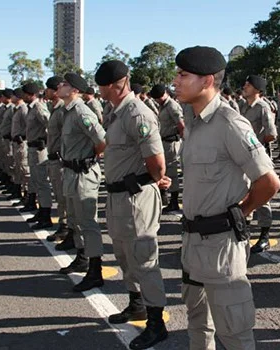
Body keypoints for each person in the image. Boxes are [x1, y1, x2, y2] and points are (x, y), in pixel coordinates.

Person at [173, 46, 280, 350]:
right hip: (192, 241)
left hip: (221, 245)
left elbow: (269, 182)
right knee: (197, 322)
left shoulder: (229, 123)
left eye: (183, 75)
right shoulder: (193, 121)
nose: (175, 80)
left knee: (234, 333)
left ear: (207, 81)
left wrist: (240, 211)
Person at [95, 61, 170, 349]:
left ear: (119, 84)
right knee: (124, 255)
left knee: (144, 259)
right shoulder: (114, 111)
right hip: (117, 196)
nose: (101, 90)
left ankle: (156, 323)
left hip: (136, 196)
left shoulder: (138, 113)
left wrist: (155, 180)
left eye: (104, 85)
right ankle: (136, 304)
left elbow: (157, 163)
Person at [56, 73, 107, 293]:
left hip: (83, 173)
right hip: (70, 171)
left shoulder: (81, 111)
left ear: (75, 90)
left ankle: (95, 270)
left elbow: (102, 140)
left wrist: (90, 158)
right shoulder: (67, 111)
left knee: (88, 222)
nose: (60, 85)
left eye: (65, 84)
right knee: (75, 220)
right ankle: (82, 257)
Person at [240, 75, 277, 253]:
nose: (245, 86)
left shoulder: (263, 107)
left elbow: (271, 133)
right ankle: (245, 230)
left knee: (262, 197)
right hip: (243, 157)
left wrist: (258, 145)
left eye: (249, 85)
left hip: (257, 156)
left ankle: (264, 236)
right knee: (244, 192)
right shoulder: (242, 106)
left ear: (257, 89)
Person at [22, 83, 53, 231]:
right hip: (33, 147)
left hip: (40, 149)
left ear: (30, 95)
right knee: (36, 180)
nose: (23, 97)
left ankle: (46, 214)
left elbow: (51, 125)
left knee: (42, 182)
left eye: (24, 94)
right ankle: (41, 212)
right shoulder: (32, 108)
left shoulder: (39, 107)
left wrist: (46, 140)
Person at [44, 76, 71, 242]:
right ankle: (64, 226)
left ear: (55, 91)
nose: (45, 92)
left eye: (48, 89)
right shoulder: (54, 108)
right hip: (53, 158)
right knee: (59, 195)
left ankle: (66, 227)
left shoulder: (62, 110)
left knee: (63, 196)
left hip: (61, 159)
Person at [150, 83, 185, 213]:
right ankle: (166, 197)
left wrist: (183, 140)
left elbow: (181, 125)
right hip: (164, 142)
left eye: (159, 97)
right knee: (164, 171)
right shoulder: (163, 105)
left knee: (172, 172)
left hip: (171, 143)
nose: (158, 99)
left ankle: (174, 201)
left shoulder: (172, 105)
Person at [10, 89, 30, 203]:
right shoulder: (17, 109)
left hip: (22, 143)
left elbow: (30, 125)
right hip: (16, 142)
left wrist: (22, 135)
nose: (11, 97)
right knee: (18, 167)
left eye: (13, 95)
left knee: (24, 169)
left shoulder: (23, 109)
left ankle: (28, 195)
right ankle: (20, 192)